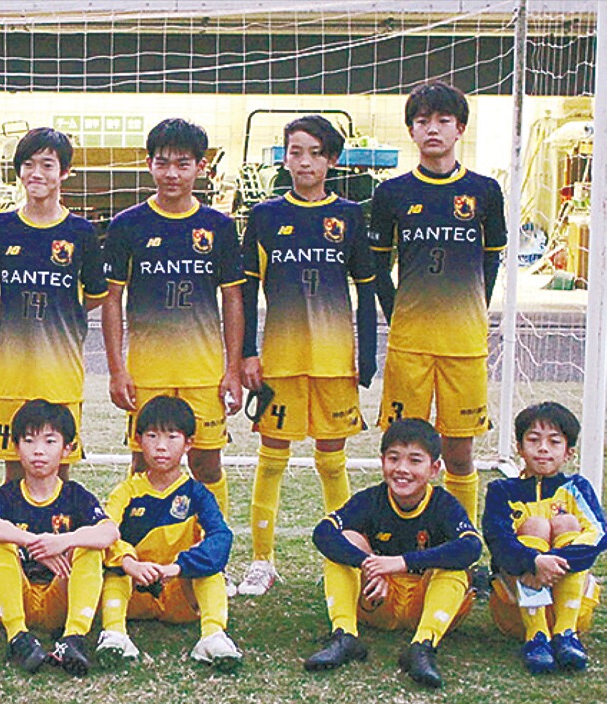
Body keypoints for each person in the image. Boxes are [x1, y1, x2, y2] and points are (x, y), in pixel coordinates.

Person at [236, 115, 378, 597]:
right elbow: (247, 290)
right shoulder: (265, 215)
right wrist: (248, 353)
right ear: (285, 157)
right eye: (295, 152)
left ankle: (342, 558)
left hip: (334, 360)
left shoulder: (351, 215)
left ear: (331, 160)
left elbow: (366, 289)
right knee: (271, 459)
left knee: (332, 461)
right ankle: (262, 561)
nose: (304, 162)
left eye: (315, 153)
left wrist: (366, 355)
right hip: (281, 359)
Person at [369, 81, 507, 524]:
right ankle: (399, 534)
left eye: (443, 120)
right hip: (409, 343)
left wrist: (473, 309)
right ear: (411, 130)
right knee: (402, 452)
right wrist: (398, 316)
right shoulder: (391, 193)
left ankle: (462, 539)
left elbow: (491, 261)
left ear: (459, 128)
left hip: (464, 344)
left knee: (459, 452)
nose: (433, 129)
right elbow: (377, 269)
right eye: (423, 120)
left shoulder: (485, 191)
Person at [102, 118, 243, 526]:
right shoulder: (127, 224)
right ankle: (136, 547)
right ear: (148, 164)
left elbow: (233, 299)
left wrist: (232, 369)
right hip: (147, 372)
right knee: (143, 464)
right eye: (162, 163)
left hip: (203, 372)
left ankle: (213, 547)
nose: (172, 174)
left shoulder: (218, 227)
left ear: (201, 166)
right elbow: (112, 300)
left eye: (183, 164)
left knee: (207, 465)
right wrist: (117, 369)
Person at [304, 418, 480, 689]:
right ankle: (344, 635)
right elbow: (323, 533)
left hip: (426, 604)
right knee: (346, 541)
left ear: (434, 469)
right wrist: (369, 564)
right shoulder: (371, 499)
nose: (402, 469)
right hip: (380, 599)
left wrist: (400, 563)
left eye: (415, 461)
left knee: (455, 565)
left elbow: (472, 547)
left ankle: (423, 645)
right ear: (382, 461)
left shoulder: (444, 504)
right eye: (394, 458)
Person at [0, 127, 107, 481]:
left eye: (47, 165)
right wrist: (10, 316)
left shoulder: (81, 232)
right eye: (28, 164)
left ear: (64, 172)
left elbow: (97, 293)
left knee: (58, 473)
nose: (36, 173)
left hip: (60, 374)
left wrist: (64, 316)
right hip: (13, 373)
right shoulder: (0, 227)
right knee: (13, 471)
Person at [0, 400, 119, 677]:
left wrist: (63, 542)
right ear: (16, 447)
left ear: (67, 449)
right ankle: (18, 638)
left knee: (89, 547)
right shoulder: (7, 495)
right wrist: (33, 542)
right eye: (29, 441)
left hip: (60, 597)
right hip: (18, 596)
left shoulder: (75, 495)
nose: (38, 450)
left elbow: (110, 532)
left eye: (50, 441)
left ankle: (74, 638)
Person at [97, 396, 240, 670]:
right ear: (138, 440)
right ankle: (114, 634)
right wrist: (130, 563)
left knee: (210, 569)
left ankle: (213, 636)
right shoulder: (126, 491)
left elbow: (221, 538)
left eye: (172, 437)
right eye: (152, 436)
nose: (161, 446)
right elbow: (104, 532)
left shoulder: (197, 493)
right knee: (115, 569)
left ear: (188, 443)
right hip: (135, 591)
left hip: (179, 593)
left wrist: (177, 568)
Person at [483, 402, 607, 674]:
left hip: (573, 610)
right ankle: (536, 635)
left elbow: (598, 534)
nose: (543, 448)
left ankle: (566, 634)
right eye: (533, 440)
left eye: (554, 441)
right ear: (519, 447)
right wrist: (533, 561)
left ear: (569, 452)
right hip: (515, 610)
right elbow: (497, 539)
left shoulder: (577, 487)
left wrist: (549, 562)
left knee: (567, 522)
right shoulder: (502, 491)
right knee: (536, 525)